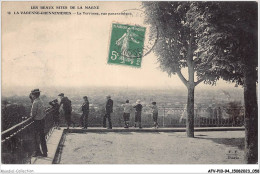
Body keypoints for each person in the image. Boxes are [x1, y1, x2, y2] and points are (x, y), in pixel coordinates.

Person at [30, 89, 48, 157]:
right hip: (42, 121)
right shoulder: (41, 101)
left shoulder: (35, 102)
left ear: (34, 95)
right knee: (42, 137)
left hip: (37, 121)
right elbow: (44, 111)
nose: (32, 96)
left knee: (35, 137)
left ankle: (37, 152)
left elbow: (33, 114)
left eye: (32, 94)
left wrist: (31, 116)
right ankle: (45, 152)